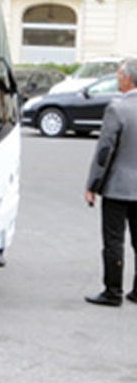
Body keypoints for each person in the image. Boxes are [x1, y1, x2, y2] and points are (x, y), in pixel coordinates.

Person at [84, 58, 137, 306]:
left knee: (114, 240)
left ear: (127, 79)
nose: (117, 79)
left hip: (119, 186)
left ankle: (113, 291)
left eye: (118, 75)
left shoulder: (117, 108)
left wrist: (93, 185)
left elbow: (105, 151)